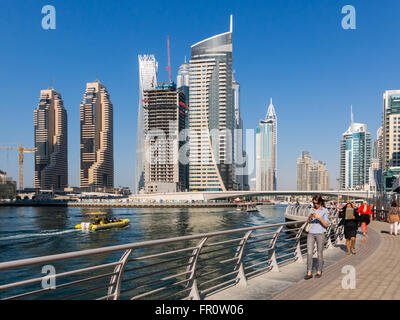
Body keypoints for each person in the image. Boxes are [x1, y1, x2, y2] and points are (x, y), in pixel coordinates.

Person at [304, 195, 330, 280]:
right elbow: (308, 221)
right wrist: (310, 217)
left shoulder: (325, 211)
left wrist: (319, 218)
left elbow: (326, 224)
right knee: (309, 252)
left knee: (319, 253)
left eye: (317, 203)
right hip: (311, 233)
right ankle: (309, 272)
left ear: (320, 202)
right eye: (314, 203)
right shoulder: (311, 209)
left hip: (320, 233)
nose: (315, 205)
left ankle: (319, 271)